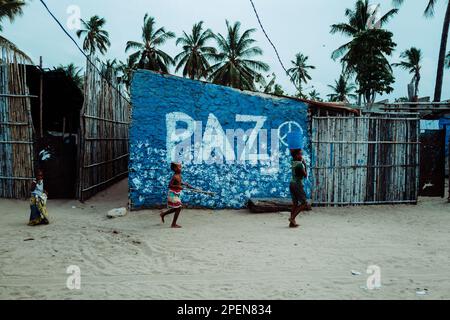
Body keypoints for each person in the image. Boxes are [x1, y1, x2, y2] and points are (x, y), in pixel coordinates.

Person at [160, 163, 192, 228]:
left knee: (176, 208)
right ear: (175, 169)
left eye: (181, 167)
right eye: (179, 167)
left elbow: (179, 182)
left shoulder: (179, 175)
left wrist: (185, 184)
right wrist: (178, 186)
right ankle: (173, 224)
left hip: (176, 193)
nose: (181, 169)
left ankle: (163, 214)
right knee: (179, 207)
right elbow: (169, 185)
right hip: (172, 193)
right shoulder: (174, 176)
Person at [289, 149, 308, 228]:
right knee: (304, 203)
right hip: (297, 184)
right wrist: (305, 164)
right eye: (300, 154)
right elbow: (305, 175)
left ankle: (292, 223)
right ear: (296, 155)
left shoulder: (292, 162)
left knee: (295, 203)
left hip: (292, 184)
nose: (301, 156)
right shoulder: (299, 165)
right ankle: (292, 218)